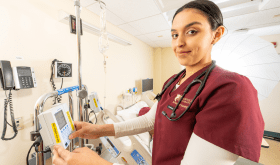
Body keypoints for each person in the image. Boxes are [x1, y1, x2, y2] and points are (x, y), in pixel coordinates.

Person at [53, 0, 265, 164]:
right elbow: (150, 121)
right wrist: (98, 130)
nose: (179, 43)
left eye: (192, 31)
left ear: (216, 34)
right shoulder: (174, 81)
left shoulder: (231, 89)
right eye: (174, 34)